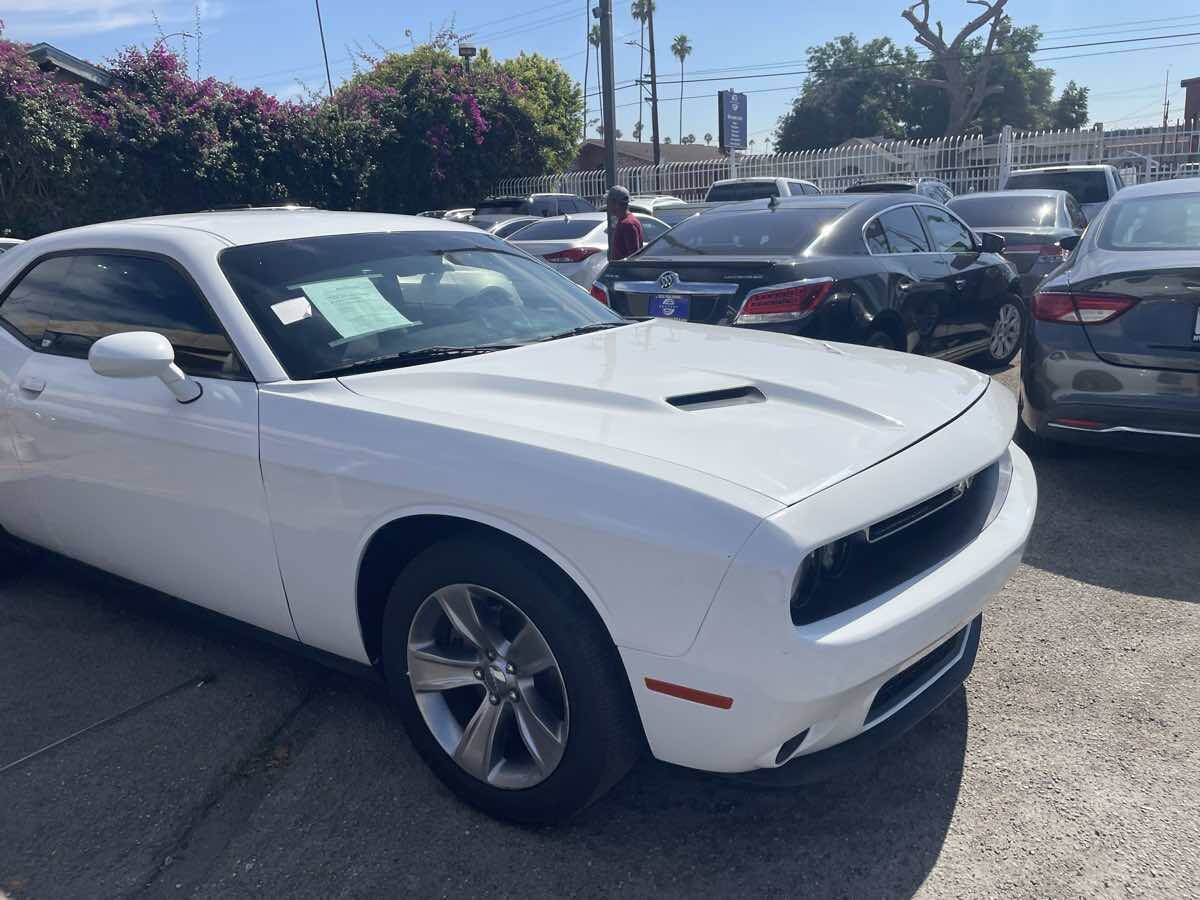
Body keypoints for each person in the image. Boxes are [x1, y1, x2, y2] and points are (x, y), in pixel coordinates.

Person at [606, 185, 643, 261]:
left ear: (616, 204)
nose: (608, 206)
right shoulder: (625, 221)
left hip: (624, 271)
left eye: (609, 202)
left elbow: (633, 257)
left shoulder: (627, 224)